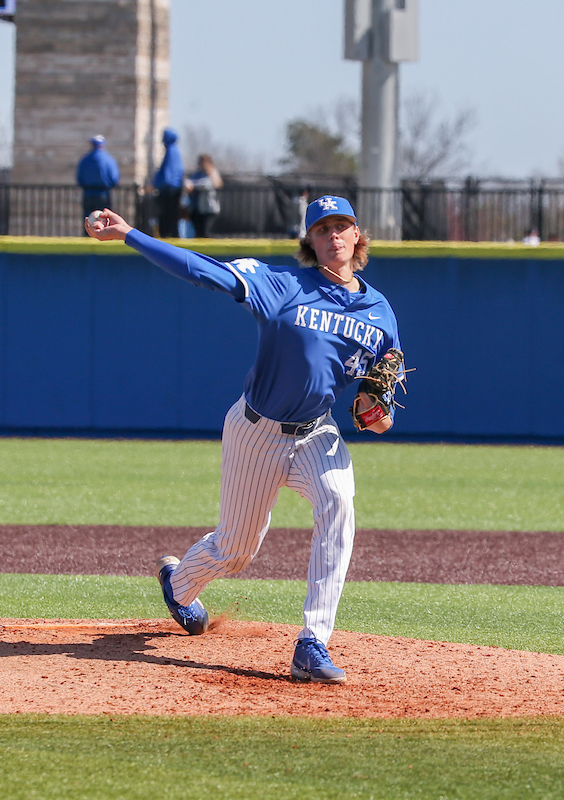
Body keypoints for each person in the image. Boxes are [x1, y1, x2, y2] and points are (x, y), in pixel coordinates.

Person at [84, 195, 405, 685]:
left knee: (339, 503)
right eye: (322, 229)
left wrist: (375, 416)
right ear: (309, 242)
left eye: (342, 226)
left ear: (358, 236)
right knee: (236, 549)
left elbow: (375, 401)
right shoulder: (282, 285)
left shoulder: (379, 311)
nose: (333, 235)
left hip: (319, 431)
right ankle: (180, 586)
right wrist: (131, 235)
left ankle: (312, 643)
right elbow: (201, 270)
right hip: (257, 432)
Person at [76, 135, 121, 226]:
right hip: (103, 193)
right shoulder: (109, 160)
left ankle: (88, 235)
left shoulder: (85, 160)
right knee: (104, 219)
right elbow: (114, 178)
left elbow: (80, 177)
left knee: (88, 219)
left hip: (88, 193)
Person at [151, 128, 184, 238]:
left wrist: (157, 185)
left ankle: (168, 235)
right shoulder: (174, 151)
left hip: (169, 190)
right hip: (172, 188)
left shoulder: (171, 151)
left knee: (167, 215)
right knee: (171, 216)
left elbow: (168, 173)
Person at [185, 154, 223, 239]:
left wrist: (193, 186)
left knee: (206, 232)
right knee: (197, 233)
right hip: (196, 208)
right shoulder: (196, 174)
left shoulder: (212, 173)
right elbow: (188, 181)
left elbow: (207, 185)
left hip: (208, 209)